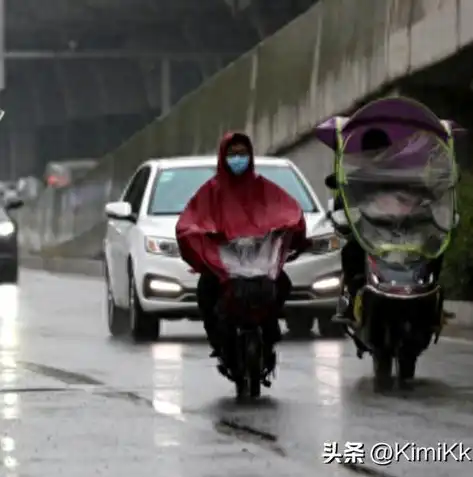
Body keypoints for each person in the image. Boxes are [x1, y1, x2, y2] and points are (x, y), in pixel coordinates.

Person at [176, 131, 309, 371]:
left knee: (283, 284)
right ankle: (218, 342)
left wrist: (290, 229)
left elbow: (287, 210)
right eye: (233, 154)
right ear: (223, 157)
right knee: (205, 292)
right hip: (224, 267)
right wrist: (200, 236)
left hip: (258, 263)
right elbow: (191, 220)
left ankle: (269, 329)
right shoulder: (211, 191)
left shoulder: (263, 188)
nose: (238, 159)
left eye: (242, 154)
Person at [325, 128, 448, 320]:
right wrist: (343, 211)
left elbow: (423, 193)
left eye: (380, 150)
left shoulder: (402, 175)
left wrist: (432, 206)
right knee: (351, 252)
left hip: (404, 233)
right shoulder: (356, 178)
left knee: (435, 248)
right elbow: (344, 201)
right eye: (372, 150)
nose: (376, 154)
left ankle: (433, 299)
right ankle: (351, 298)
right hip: (371, 235)